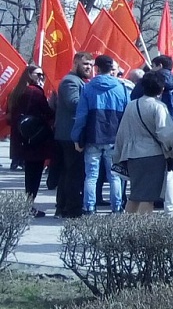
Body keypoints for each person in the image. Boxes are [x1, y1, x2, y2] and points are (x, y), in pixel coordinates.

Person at [130, 55, 173, 214]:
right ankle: (170, 209)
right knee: (171, 174)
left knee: (149, 171)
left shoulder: (148, 81)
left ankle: (148, 206)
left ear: (158, 65)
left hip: (147, 132)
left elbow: (134, 98)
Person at [71, 54, 129, 215]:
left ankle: (89, 207)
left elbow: (81, 116)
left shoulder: (88, 88)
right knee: (115, 176)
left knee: (91, 175)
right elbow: (127, 115)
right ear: (112, 69)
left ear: (96, 68)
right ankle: (116, 207)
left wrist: (76, 137)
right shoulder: (121, 88)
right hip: (114, 138)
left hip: (93, 137)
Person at [114, 72, 173, 215]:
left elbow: (121, 133)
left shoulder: (131, 105)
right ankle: (143, 231)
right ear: (161, 89)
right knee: (148, 197)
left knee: (135, 195)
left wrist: (118, 156)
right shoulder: (159, 107)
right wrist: (171, 152)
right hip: (153, 156)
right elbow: (165, 134)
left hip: (132, 155)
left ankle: (125, 228)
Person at [8, 65, 55, 217]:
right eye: (38, 74)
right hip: (36, 140)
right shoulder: (34, 92)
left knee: (30, 173)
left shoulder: (17, 91)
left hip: (22, 139)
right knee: (34, 175)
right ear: (29, 74)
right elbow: (47, 112)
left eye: (43, 75)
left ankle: (28, 205)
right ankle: (29, 206)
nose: (41, 78)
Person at [53, 52, 94, 218]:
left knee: (68, 172)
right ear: (75, 62)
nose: (88, 68)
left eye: (91, 65)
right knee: (74, 173)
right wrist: (94, 100)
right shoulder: (70, 81)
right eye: (85, 64)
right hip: (70, 135)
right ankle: (72, 210)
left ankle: (63, 207)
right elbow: (74, 104)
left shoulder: (79, 81)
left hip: (70, 134)